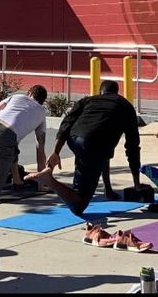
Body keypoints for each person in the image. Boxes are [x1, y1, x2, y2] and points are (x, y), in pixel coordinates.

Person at [28, 80, 141, 215]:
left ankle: (104, 190)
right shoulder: (126, 106)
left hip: (75, 139)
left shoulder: (88, 100)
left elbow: (67, 122)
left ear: (100, 92)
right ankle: (49, 180)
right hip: (94, 145)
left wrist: (56, 152)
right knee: (79, 205)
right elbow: (132, 146)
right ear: (117, 93)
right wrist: (136, 183)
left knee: (92, 156)